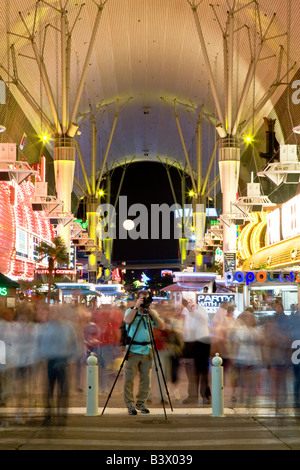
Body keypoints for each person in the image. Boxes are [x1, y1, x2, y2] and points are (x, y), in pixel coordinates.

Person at [123, 290, 164, 415]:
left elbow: (162, 326)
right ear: (137, 299)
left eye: (147, 299)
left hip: (147, 350)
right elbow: (127, 321)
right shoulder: (130, 311)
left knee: (146, 380)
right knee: (129, 379)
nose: (145, 301)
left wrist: (151, 312)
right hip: (133, 350)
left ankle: (141, 402)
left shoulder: (150, 313)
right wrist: (136, 306)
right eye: (143, 299)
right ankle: (129, 404)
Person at [182, 299, 211, 405]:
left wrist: (192, 310)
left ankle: (205, 396)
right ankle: (193, 396)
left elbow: (203, 319)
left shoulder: (199, 309)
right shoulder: (186, 312)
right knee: (191, 371)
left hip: (202, 341)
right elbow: (187, 328)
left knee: (202, 371)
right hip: (191, 342)